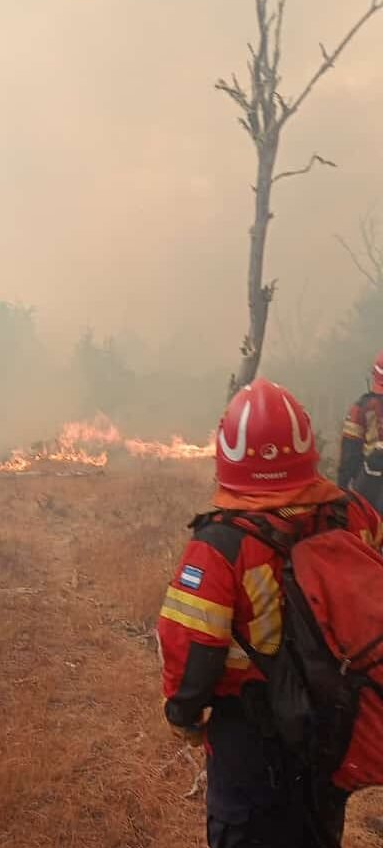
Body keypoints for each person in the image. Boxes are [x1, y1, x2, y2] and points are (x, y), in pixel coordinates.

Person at [158, 378, 383, 848]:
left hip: (250, 741)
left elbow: (193, 652)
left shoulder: (219, 545)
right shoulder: (352, 515)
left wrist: (182, 714)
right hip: (330, 727)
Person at [338, 350, 383, 512]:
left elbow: (349, 458)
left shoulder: (362, 408)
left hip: (370, 490)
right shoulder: (362, 409)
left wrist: (341, 494)